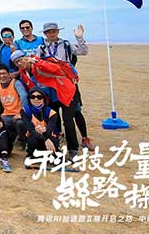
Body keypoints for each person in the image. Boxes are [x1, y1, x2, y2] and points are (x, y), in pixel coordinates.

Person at [36, 22, 94, 150]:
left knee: (74, 113)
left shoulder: (66, 44)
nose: (51, 34)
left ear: (58, 31)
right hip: (52, 86)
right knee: (54, 112)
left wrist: (79, 37)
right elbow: (37, 66)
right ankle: (59, 136)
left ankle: (83, 140)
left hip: (68, 84)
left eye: (53, 31)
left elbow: (83, 51)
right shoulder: (41, 48)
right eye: (48, 32)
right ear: (45, 34)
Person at [12, 51, 80, 159]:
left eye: (20, 60)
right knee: (53, 119)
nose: (19, 63)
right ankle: (55, 143)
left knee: (67, 120)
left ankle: (73, 149)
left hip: (66, 91)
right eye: (16, 62)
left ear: (26, 57)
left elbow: (56, 69)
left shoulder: (38, 62)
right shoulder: (24, 73)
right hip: (52, 96)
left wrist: (37, 62)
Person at [0, 66, 28, 144]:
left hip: (18, 113)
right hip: (6, 115)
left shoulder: (16, 83)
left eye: (4, 73)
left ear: (9, 74)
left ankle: (22, 141)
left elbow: (24, 96)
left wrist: (22, 113)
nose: (2, 76)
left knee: (20, 123)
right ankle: (10, 139)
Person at [21, 87, 60, 162]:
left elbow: (50, 130)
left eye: (39, 97)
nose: (36, 99)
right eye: (32, 97)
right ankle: (32, 153)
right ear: (29, 98)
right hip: (36, 136)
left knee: (54, 144)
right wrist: (45, 139)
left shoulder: (52, 113)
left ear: (44, 99)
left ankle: (50, 153)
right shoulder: (25, 110)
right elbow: (30, 128)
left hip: (49, 136)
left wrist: (45, 135)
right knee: (32, 140)